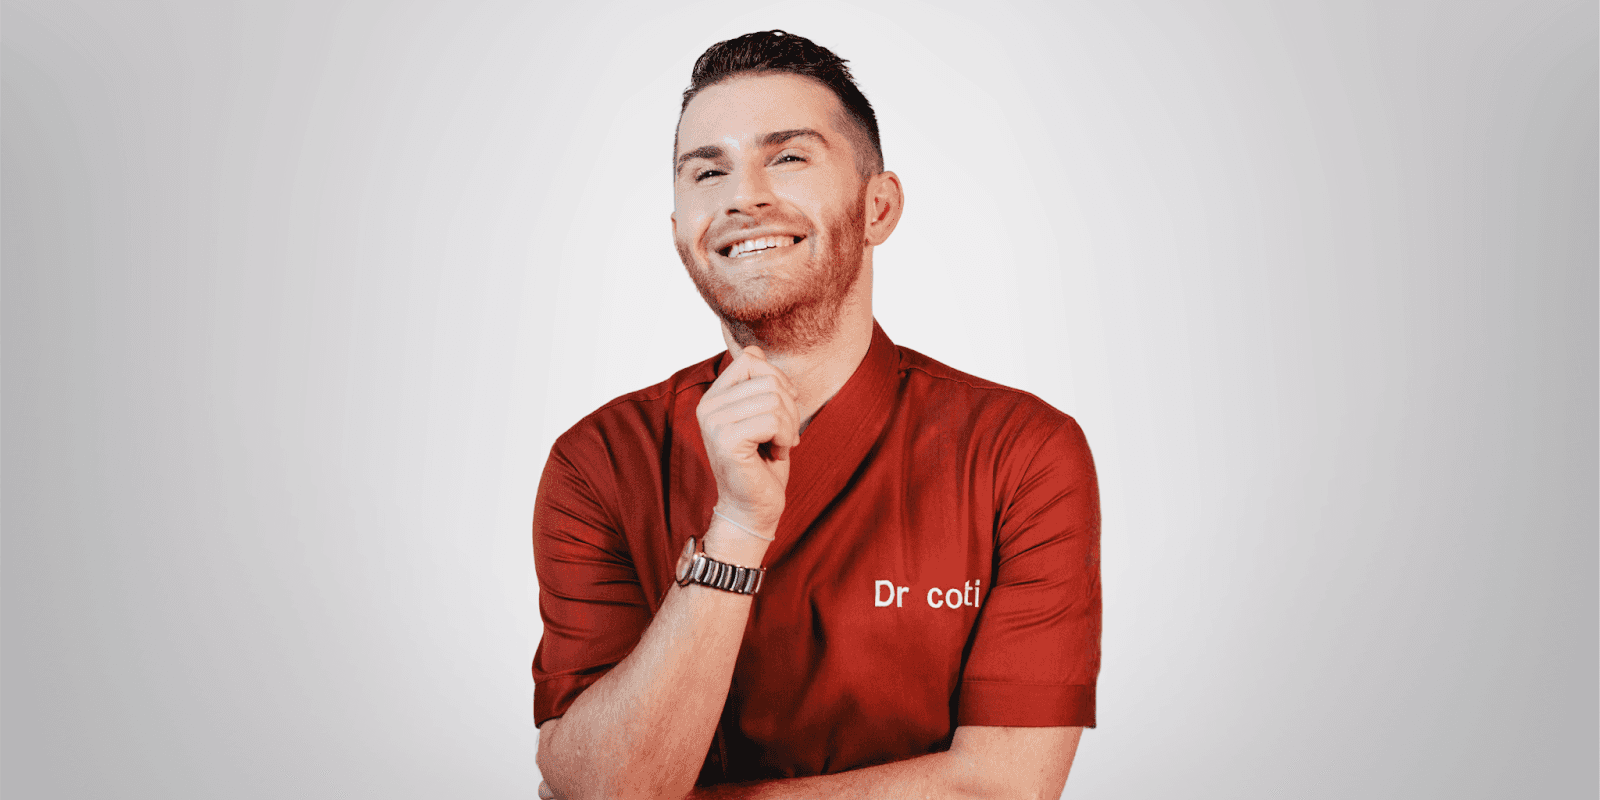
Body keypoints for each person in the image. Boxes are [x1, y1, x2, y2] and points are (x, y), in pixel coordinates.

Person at [532, 30, 1100, 800]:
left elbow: (1002, 788)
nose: (742, 196)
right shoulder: (599, 463)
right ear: (679, 235)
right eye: (709, 170)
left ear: (878, 206)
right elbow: (593, 782)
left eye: (788, 157)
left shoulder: (1020, 454)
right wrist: (736, 530)